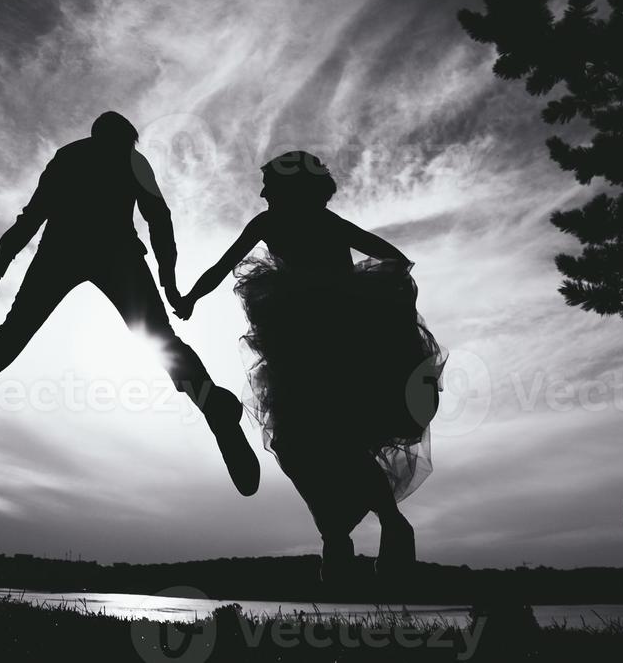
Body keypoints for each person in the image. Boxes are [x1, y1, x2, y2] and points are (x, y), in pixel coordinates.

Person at [0, 112, 261, 497]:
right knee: (160, 338)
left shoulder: (69, 156)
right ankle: (211, 404)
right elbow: (159, 219)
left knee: (8, 339)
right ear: (123, 138)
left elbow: (32, 217)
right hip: (115, 252)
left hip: (63, 251)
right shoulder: (130, 159)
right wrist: (169, 281)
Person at [171, 151, 444, 580]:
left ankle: (374, 529)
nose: (262, 192)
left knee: (328, 439)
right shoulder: (272, 222)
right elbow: (221, 267)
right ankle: (341, 535)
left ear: (291, 189)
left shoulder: (324, 222)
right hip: (294, 347)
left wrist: (360, 297)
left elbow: (392, 256)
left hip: (330, 346)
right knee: (300, 445)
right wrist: (189, 296)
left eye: (270, 186)